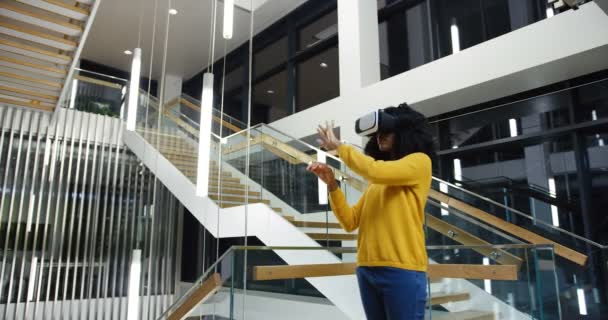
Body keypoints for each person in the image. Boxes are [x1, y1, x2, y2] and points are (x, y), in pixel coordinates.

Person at [307, 103, 435, 320]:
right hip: (367, 270)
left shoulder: (420, 162)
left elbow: (375, 170)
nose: (379, 137)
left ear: (404, 134)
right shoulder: (376, 184)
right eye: (377, 134)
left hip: (402, 270)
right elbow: (350, 221)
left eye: (386, 132)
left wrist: (341, 147)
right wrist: (331, 185)